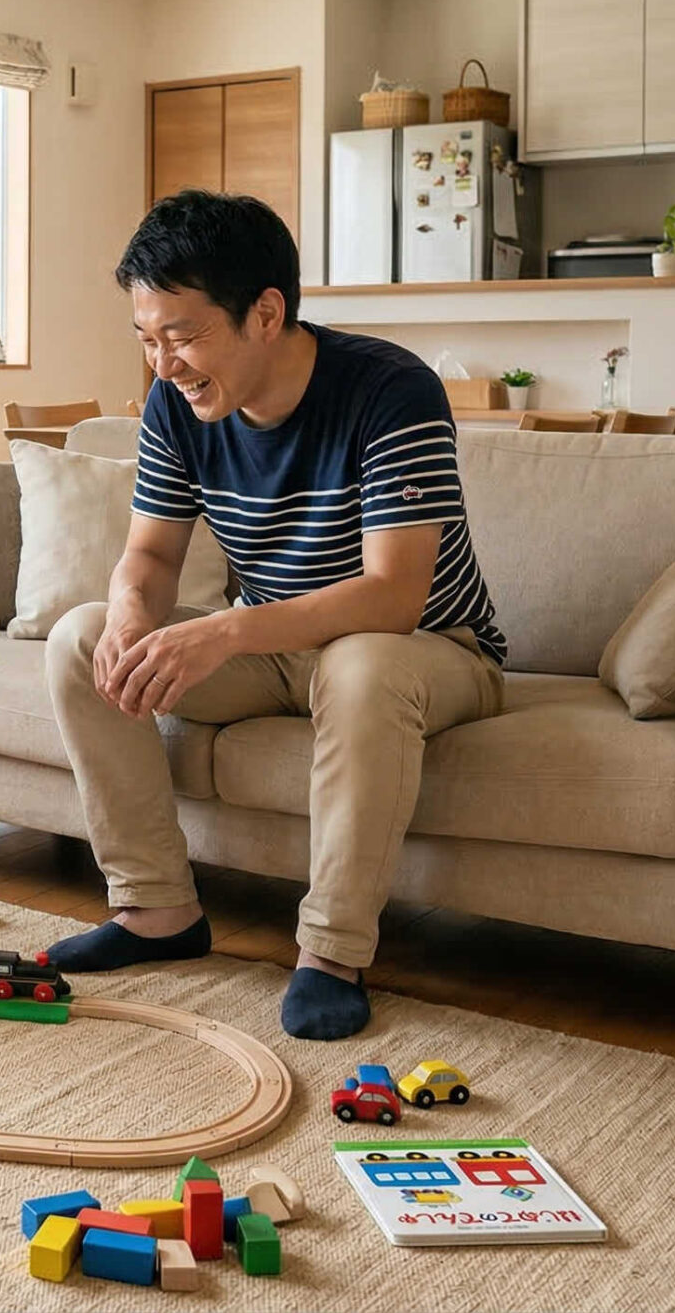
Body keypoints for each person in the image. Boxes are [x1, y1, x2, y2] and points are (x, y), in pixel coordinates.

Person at [39, 189, 508, 1041]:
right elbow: (148, 558)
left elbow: (394, 595)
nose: (164, 364)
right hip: (281, 650)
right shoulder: (176, 408)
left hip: (427, 647)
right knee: (78, 641)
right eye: (147, 340)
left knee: (361, 662)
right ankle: (157, 911)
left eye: (182, 336)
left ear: (266, 312)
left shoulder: (391, 390)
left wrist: (221, 630)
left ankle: (330, 950)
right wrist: (128, 615)